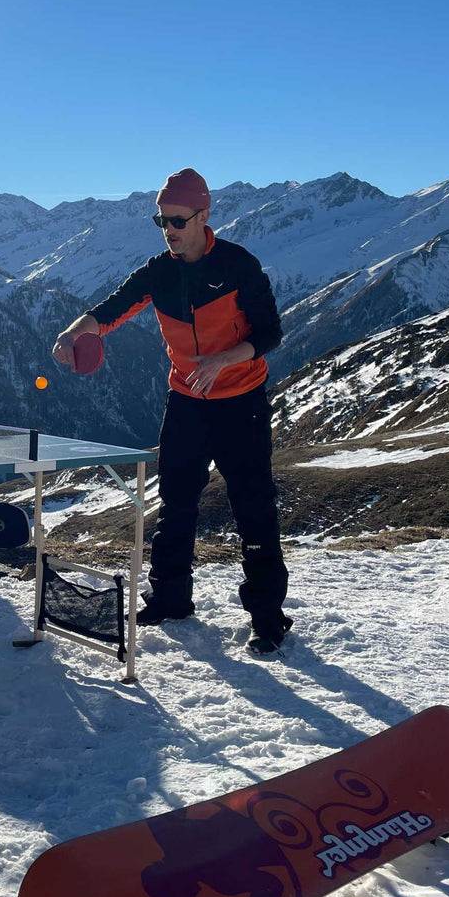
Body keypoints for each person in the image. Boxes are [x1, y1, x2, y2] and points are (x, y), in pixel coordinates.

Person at [51, 168, 291, 655]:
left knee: (253, 508)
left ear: (204, 216)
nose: (169, 230)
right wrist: (73, 333)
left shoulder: (239, 265)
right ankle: (171, 599)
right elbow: (111, 308)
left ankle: (268, 618)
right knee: (176, 502)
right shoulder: (158, 271)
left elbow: (270, 333)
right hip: (185, 401)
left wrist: (225, 358)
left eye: (177, 220)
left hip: (240, 401)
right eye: (161, 220)